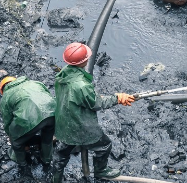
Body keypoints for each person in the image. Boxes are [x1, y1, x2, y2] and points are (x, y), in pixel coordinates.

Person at [51, 42, 135, 182]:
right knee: (104, 145)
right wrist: (118, 98)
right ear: (84, 61)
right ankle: (101, 171)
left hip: (63, 123)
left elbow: (79, 97)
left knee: (61, 155)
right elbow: (97, 104)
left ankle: (56, 179)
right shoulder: (82, 86)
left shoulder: (63, 73)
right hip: (79, 126)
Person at [0, 75, 56, 168]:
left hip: (30, 119)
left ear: (3, 90)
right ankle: (47, 159)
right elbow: (48, 96)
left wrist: (12, 136)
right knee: (47, 137)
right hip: (52, 113)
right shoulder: (35, 83)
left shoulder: (6, 96)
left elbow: (7, 121)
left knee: (16, 143)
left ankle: (22, 163)